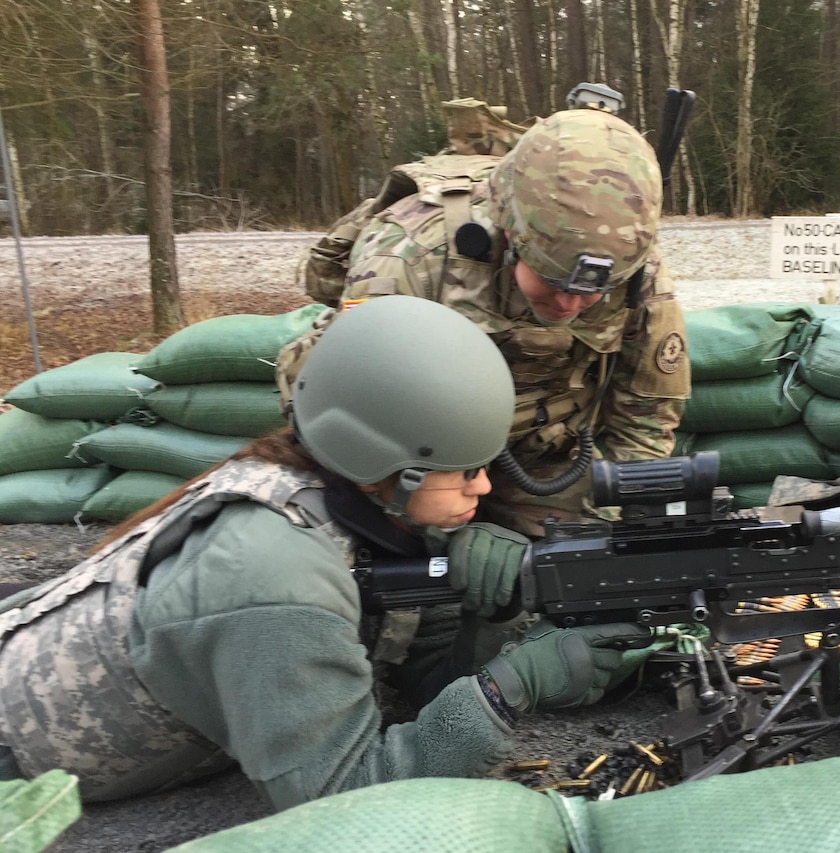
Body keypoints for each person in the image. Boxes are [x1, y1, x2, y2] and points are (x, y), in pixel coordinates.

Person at [0, 296, 651, 810]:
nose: (484, 487)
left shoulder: (358, 499)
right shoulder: (277, 576)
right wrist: (514, 685)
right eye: (465, 471)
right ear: (382, 463)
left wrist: (485, 614)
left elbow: (415, 683)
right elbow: (341, 803)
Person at [290, 104, 691, 537]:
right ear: (508, 236)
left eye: (593, 290)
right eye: (552, 279)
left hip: (541, 460)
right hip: (414, 459)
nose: (571, 303)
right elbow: (350, 412)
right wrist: (429, 532)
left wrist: (608, 531)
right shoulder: (408, 258)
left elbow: (645, 420)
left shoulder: (635, 274)